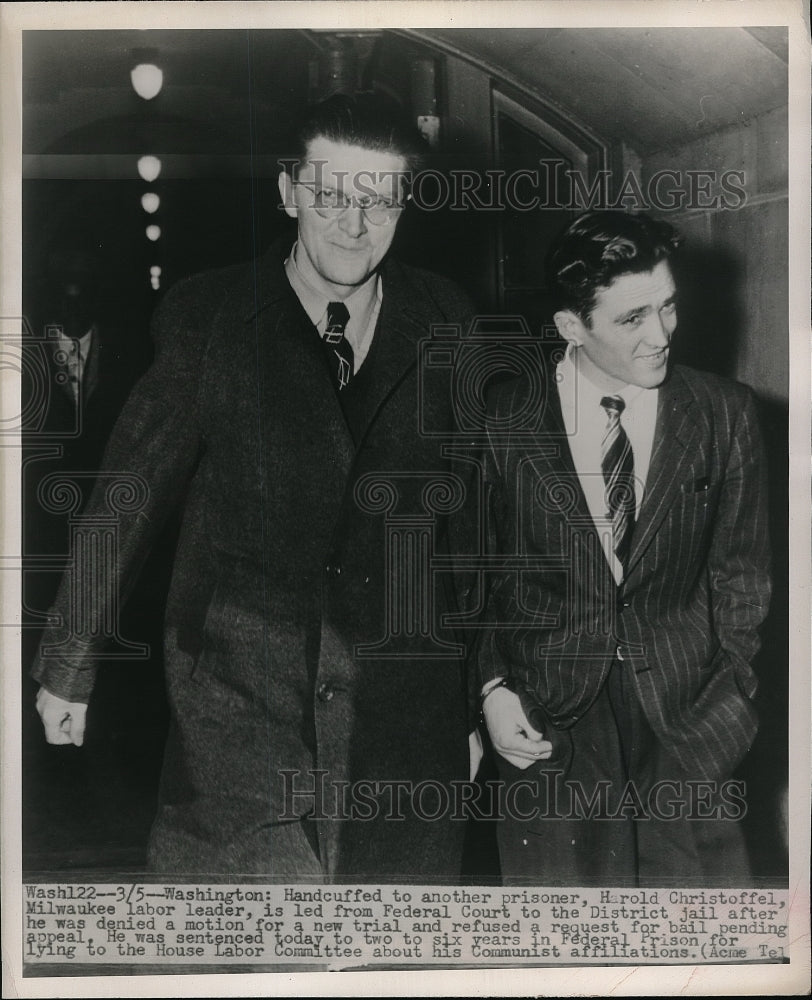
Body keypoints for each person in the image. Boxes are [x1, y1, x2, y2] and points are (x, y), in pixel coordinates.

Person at [31, 93, 477, 880]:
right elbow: (124, 500)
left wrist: (486, 687)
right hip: (238, 708)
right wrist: (71, 663)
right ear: (288, 193)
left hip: (401, 713)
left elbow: (477, 524)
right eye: (331, 194)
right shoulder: (211, 318)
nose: (354, 221)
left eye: (380, 200)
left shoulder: (449, 319)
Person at [475, 210, 771, 886]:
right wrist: (491, 690)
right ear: (571, 328)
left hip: (689, 725)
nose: (662, 335)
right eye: (632, 319)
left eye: (667, 307)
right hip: (550, 728)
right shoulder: (501, 421)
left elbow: (743, 580)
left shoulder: (726, 412)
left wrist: (735, 701)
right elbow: (475, 578)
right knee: (566, 958)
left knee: (708, 952)